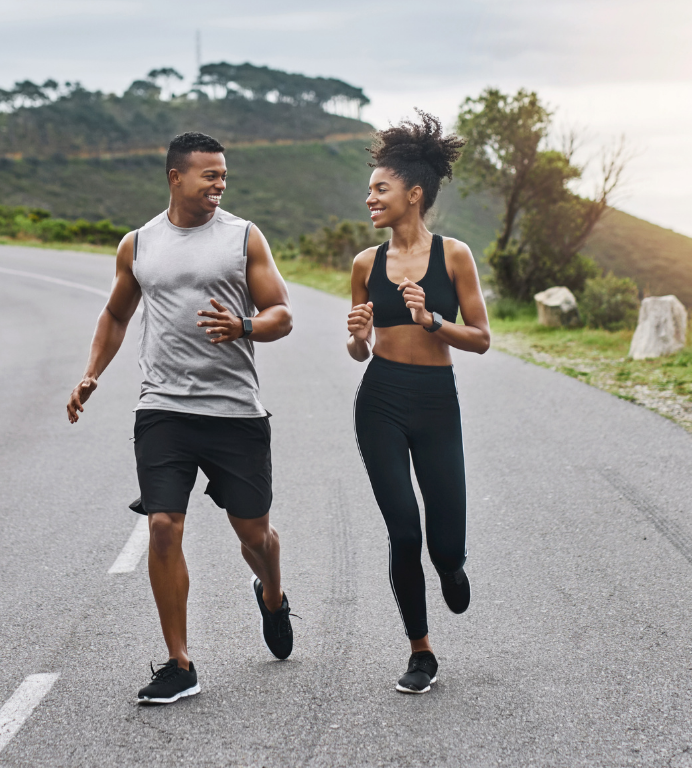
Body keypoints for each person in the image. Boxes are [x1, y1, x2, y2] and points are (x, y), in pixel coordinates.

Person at [66, 131, 295, 705]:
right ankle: (179, 662)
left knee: (255, 535)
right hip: (163, 407)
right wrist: (92, 373)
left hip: (234, 410)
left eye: (223, 176)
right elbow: (116, 315)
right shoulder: (139, 244)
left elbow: (282, 314)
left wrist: (242, 326)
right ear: (175, 177)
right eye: (209, 175)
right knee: (163, 526)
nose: (220, 184)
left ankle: (271, 592)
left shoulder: (243, 237)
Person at [345, 112, 490, 694]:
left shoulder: (454, 257)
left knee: (443, 539)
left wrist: (433, 321)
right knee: (403, 531)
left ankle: (450, 565)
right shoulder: (365, 264)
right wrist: (358, 334)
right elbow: (358, 351)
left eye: (380, 189)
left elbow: (480, 338)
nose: (370, 198)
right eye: (370, 189)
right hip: (380, 398)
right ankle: (420, 649)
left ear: (414, 194)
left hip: (436, 403)